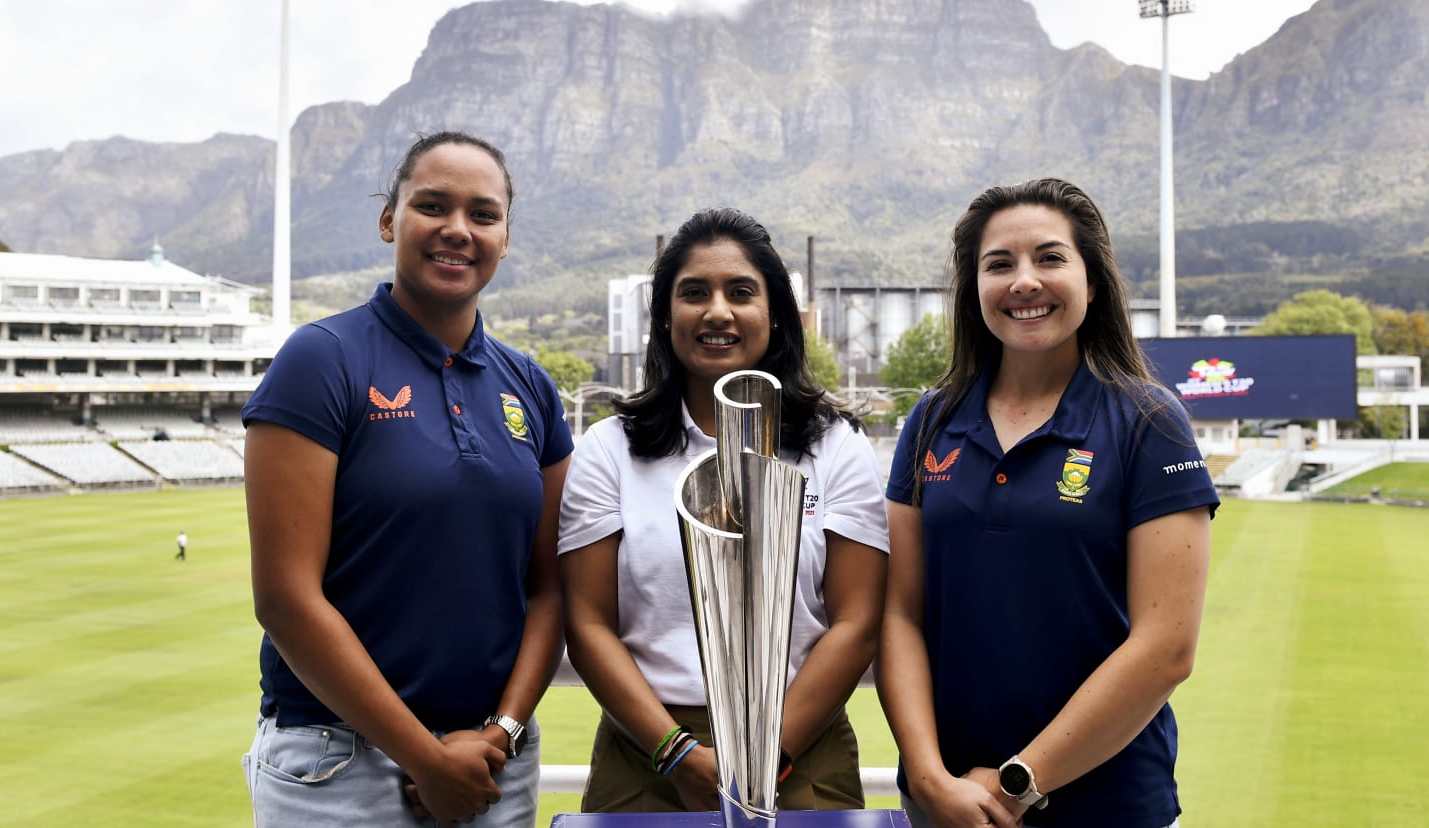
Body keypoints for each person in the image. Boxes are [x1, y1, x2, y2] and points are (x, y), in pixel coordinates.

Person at [239, 131, 573, 827]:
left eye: (483, 214)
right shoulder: (320, 359)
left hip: (491, 763)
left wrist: (501, 732)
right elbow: (286, 598)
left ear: (505, 238)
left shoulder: (531, 387)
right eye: (432, 206)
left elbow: (548, 590)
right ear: (390, 220)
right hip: (339, 765)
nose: (458, 229)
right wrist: (423, 755)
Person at [878, 179, 1218, 828]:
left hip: (1109, 808)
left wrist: (1016, 784)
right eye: (998, 264)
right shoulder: (930, 421)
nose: (1024, 281)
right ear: (973, 290)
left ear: (1093, 283)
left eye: (1051, 258)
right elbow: (899, 614)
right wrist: (928, 777)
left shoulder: (1150, 421)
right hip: (945, 809)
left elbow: (1167, 647)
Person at [559, 207, 888, 812]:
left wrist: (765, 753)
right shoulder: (610, 448)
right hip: (648, 751)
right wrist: (678, 754)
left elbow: (856, 622)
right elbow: (587, 623)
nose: (717, 311)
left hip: (799, 747)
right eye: (693, 293)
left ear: (774, 315)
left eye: (741, 292)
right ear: (665, 315)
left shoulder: (834, 445)